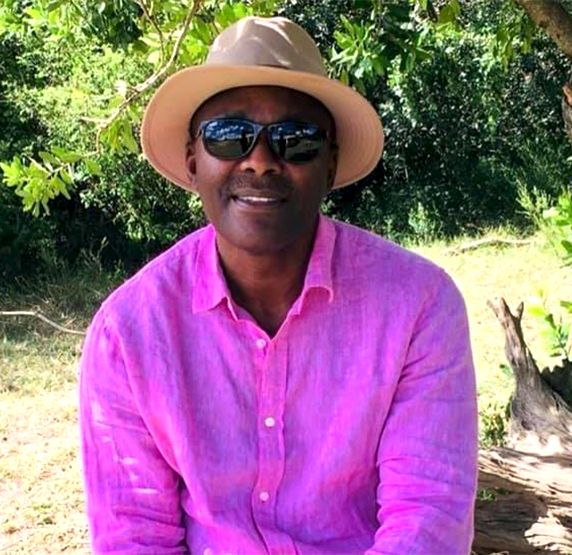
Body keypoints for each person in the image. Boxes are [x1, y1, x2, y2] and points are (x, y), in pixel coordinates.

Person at [79, 16, 478, 555]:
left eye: (296, 139)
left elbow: (427, 518)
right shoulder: (127, 333)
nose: (261, 162)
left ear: (330, 165)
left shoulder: (419, 306)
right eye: (228, 135)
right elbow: (134, 535)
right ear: (194, 161)